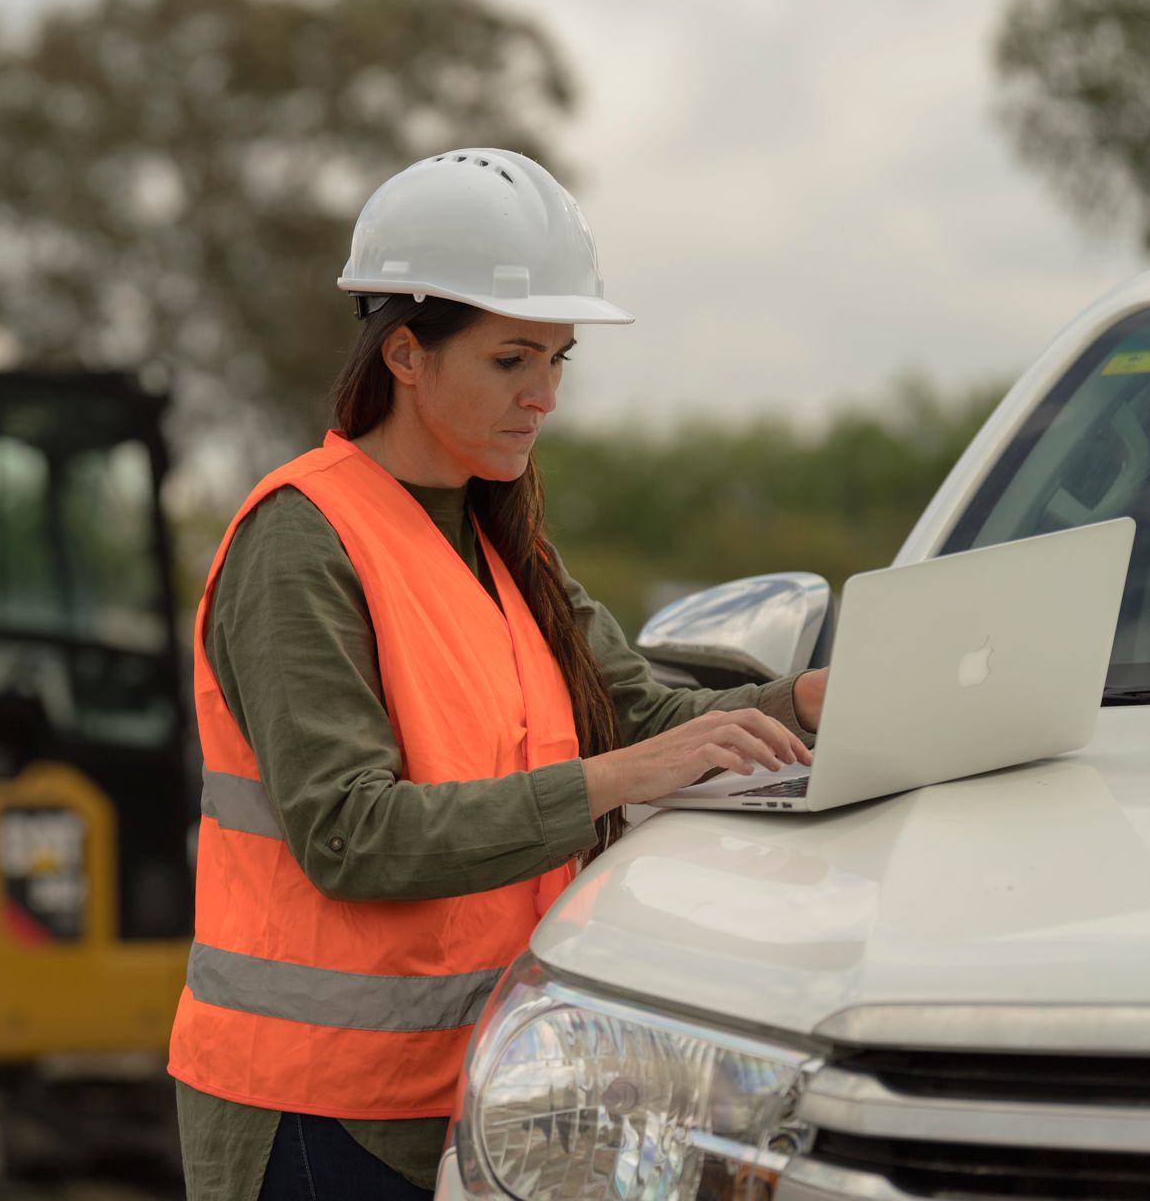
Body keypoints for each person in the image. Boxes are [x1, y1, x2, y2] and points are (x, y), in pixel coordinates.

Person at [166, 148, 830, 1200]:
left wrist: (798, 701)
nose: (546, 396)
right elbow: (348, 830)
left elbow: (637, 715)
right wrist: (618, 780)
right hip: (316, 1114)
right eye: (511, 359)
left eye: (559, 359)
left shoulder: (496, 535)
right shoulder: (300, 540)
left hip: (484, 1093)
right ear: (403, 354)